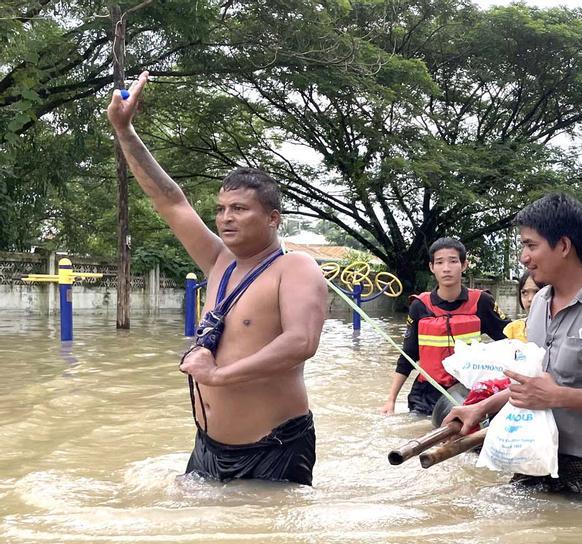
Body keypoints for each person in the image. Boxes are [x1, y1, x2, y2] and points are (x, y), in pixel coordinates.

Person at [107, 72, 328, 485]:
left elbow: (302, 343)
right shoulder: (218, 261)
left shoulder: (295, 268)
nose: (226, 217)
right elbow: (170, 201)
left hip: (273, 447)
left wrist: (218, 376)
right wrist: (125, 131)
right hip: (208, 446)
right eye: (222, 208)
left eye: (240, 209)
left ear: (272, 218)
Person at [446, 193, 582, 499]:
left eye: (531, 245)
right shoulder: (540, 302)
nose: (523, 257)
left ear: (564, 246)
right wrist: (481, 407)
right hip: (532, 457)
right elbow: (534, 383)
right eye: (523, 246)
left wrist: (559, 396)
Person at [381, 237, 509, 416]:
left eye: (453, 261)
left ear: (464, 265)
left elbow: (510, 340)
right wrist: (391, 399)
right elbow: (408, 356)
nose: (446, 268)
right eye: (439, 262)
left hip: (467, 392)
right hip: (426, 393)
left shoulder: (482, 302)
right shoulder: (420, 306)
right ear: (432, 267)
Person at [503, 270, 545, 342]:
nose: (530, 299)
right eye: (524, 293)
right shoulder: (512, 329)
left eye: (537, 292)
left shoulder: (559, 331)